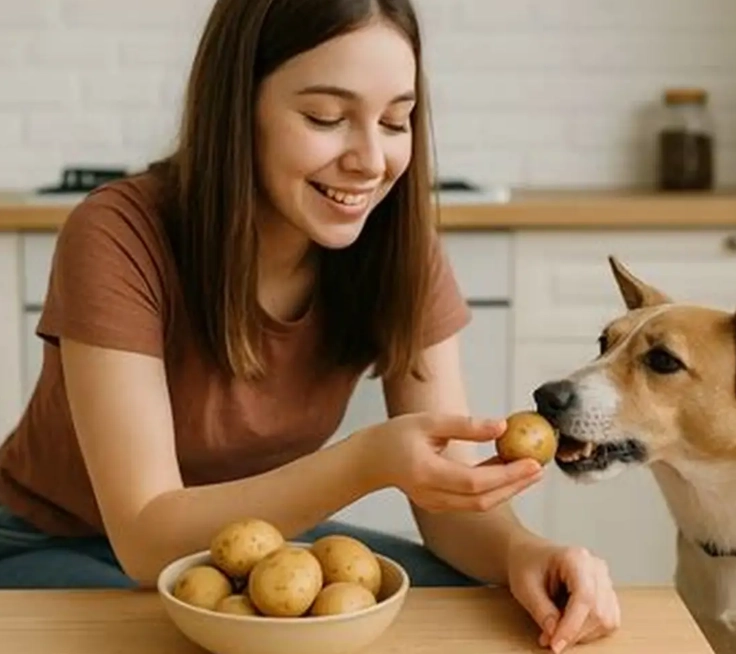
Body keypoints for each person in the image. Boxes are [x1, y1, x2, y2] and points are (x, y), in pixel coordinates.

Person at [0, 0, 620, 651]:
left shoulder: (398, 249)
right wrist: (370, 461)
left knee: (482, 607)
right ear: (238, 108)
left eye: (395, 120)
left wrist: (525, 551)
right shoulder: (118, 234)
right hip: (60, 543)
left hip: (262, 554)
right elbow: (146, 539)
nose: (370, 160)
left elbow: (451, 508)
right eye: (326, 118)